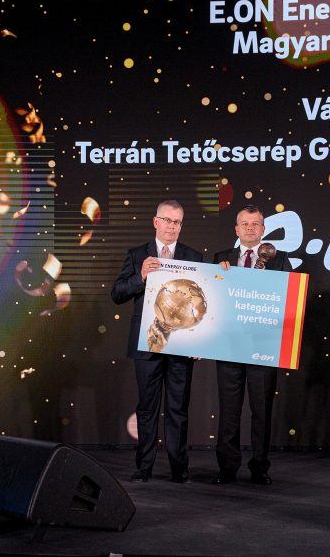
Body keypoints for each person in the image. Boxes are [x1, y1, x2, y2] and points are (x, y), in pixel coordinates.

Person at [112, 200, 203, 483]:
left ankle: (179, 470)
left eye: (177, 222)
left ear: (181, 226)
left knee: (178, 409)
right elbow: (118, 293)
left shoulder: (193, 256)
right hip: (147, 344)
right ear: (156, 222)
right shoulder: (137, 254)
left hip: (182, 345)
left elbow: (204, 300)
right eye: (166, 220)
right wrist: (140, 276)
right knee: (147, 408)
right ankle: (144, 468)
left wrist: (200, 341)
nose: (171, 226)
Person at [211, 205, 291, 485]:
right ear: (236, 229)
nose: (249, 228)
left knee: (261, 411)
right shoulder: (221, 259)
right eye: (244, 223)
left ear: (263, 229)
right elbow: (211, 297)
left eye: (255, 223)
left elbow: (289, 298)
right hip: (229, 346)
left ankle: (260, 468)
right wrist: (217, 276)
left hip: (263, 347)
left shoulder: (280, 259)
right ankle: (227, 468)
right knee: (229, 410)